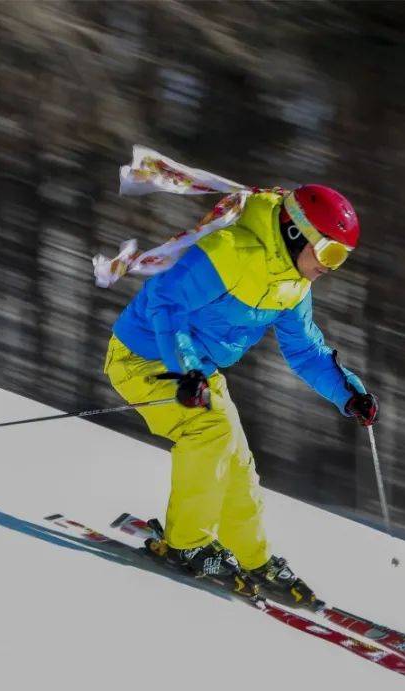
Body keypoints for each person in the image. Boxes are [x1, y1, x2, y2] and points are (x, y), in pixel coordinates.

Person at [103, 184, 378, 608]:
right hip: (142, 357)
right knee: (210, 433)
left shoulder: (293, 285)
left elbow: (305, 350)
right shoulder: (230, 251)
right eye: (328, 253)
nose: (330, 267)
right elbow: (165, 301)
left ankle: (254, 560)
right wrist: (187, 367)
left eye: (340, 258)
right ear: (295, 233)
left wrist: (349, 394)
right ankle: (186, 544)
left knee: (238, 465)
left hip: (197, 371)